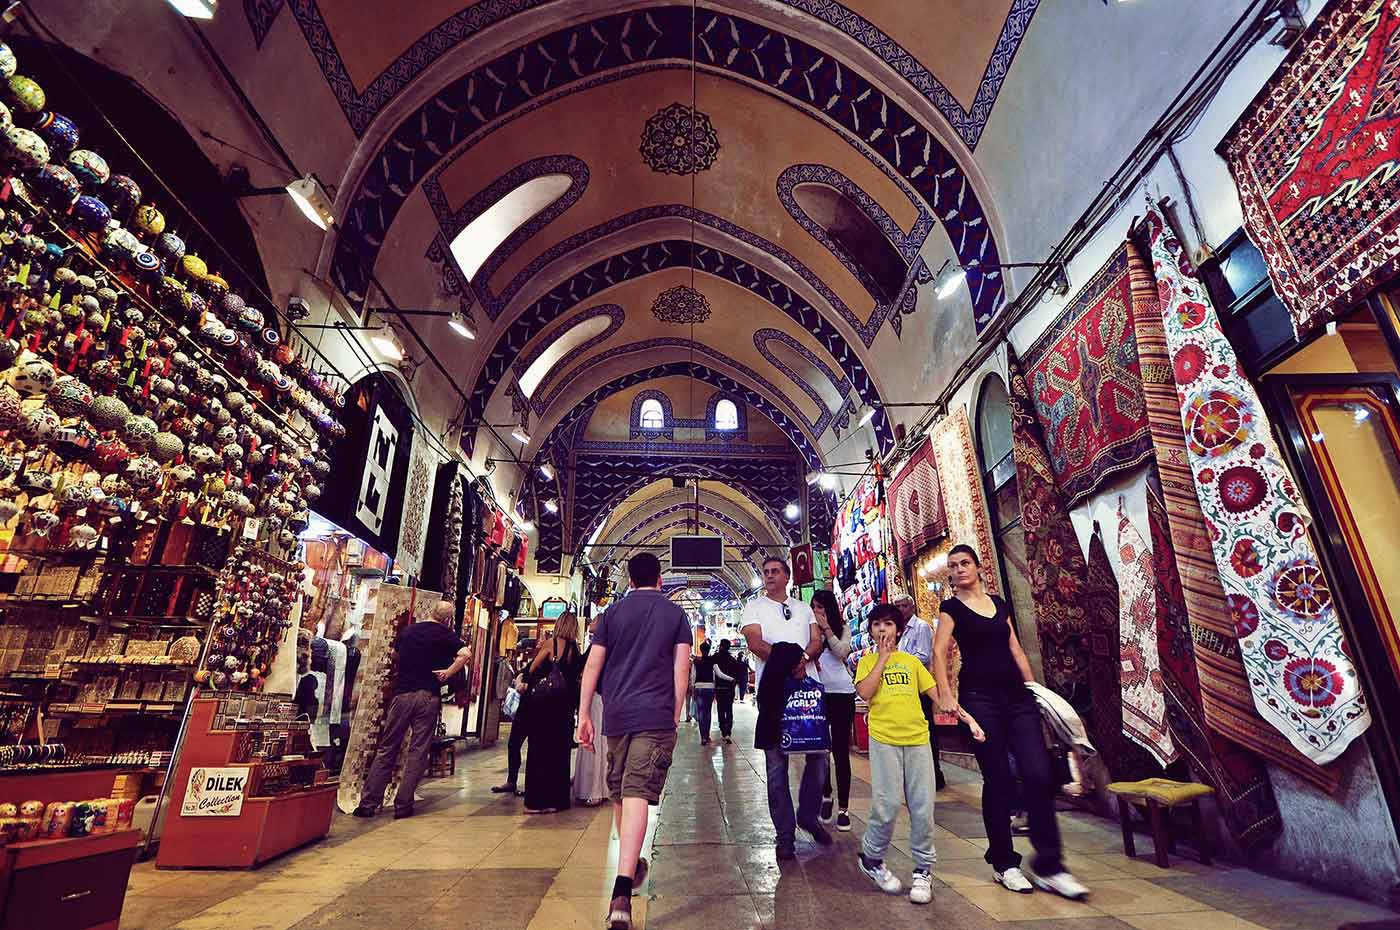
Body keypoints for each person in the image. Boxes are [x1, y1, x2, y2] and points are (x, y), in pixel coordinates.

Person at [934, 544, 1089, 901]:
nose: (958, 570)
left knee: (1038, 773)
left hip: (1018, 699)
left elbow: (1016, 649)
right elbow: (940, 652)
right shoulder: (950, 608)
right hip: (979, 700)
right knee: (999, 779)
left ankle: (1051, 867)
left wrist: (1034, 690)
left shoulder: (999, 603)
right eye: (953, 566)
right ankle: (1005, 864)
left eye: (964, 563)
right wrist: (946, 694)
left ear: (977, 566)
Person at [576, 553, 692, 930]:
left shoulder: (611, 614)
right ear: (660, 578)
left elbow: (592, 665)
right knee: (636, 792)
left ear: (629, 578)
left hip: (618, 716)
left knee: (623, 792)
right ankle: (622, 891)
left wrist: (583, 715)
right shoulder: (676, 616)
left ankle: (630, 866)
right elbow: (681, 668)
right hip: (655, 713)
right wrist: (675, 715)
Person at [856, 603, 986, 904]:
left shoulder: (913, 664)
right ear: (871, 631)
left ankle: (923, 871)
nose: (882, 630)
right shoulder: (866, 663)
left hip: (917, 740)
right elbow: (865, 693)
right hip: (884, 740)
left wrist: (970, 720)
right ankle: (872, 858)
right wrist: (882, 659)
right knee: (887, 804)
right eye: (876, 625)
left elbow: (941, 698)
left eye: (888, 624)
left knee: (923, 807)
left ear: (899, 630)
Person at [741, 556, 831, 860]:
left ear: (787, 576)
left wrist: (804, 659)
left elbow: (816, 641)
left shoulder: (804, 608)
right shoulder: (754, 608)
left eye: (775, 571)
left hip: (807, 691)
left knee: (819, 757)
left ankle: (808, 814)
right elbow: (755, 642)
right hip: (773, 692)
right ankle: (784, 834)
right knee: (775, 765)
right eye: (765, 572)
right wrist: (792, 661)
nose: (769, 576)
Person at [353, 600, 470, 820]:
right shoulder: (445, 634)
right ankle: (403, 804)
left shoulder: (409, 631)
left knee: (388, 747)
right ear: (447, 619)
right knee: (418, 750)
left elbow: (396, 655)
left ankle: (368, 803)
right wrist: (448, 672)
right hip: (428, 697)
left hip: (403, 694)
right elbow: (465, 654)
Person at [523, 610, 583, 814]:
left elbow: (532, 669)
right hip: (564, 709)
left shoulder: (552, 644)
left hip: (545, 708)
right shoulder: (575, 649)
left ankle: (536, 802)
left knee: (539, 751)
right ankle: (556, 800)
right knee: (559, 753)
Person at [809, 589, 855, 832]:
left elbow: (842, 652)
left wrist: (826, 629)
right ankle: (826, 796)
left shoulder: (842, 628)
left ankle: (844, 808)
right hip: (818, 693)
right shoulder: (807, 630)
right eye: (814, 607)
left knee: (840, 751)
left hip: (842, 693)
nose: (818, 611)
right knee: (821, 750)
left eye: (822, 607)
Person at [894, 591, 948, 791]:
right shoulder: (899, 631)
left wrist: (899, 661)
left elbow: (924, 656)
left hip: (919, 688)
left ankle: (935, 774)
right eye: (897, 607)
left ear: (912, 607)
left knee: (926, 733)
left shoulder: (920, 627)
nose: (900, 610)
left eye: (904, 606)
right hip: (903, 689)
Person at [573, 615, 608, 806]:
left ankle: (594, 789)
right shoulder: (606, 645)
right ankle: (600, 787)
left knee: (593, 741)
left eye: (594, 620)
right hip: (604, 698)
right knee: (600, 742)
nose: (590, 622)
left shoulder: (598, 646)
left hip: (596, 698)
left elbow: (583, 665)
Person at [711, 640, 744, 743]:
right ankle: (728, 732)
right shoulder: (732, 660)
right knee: (729, 710)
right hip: (729, 689)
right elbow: (738, 675)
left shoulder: (715, 657)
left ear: (721, 646)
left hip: (719, 688)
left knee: (721, 710)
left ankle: (723, 731)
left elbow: (709, 665)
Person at [692, 641, 719, 745]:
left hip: (698, 687)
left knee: (701, 713)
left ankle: (703, 737)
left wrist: (692, 688)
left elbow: (693, 677)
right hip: (709, 688)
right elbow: (718, 674)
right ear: (708, 650)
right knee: (708, 712)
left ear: (701, 650)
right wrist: (731, 679)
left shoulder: (696, 662)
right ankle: (707, 736)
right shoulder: (712, 661)